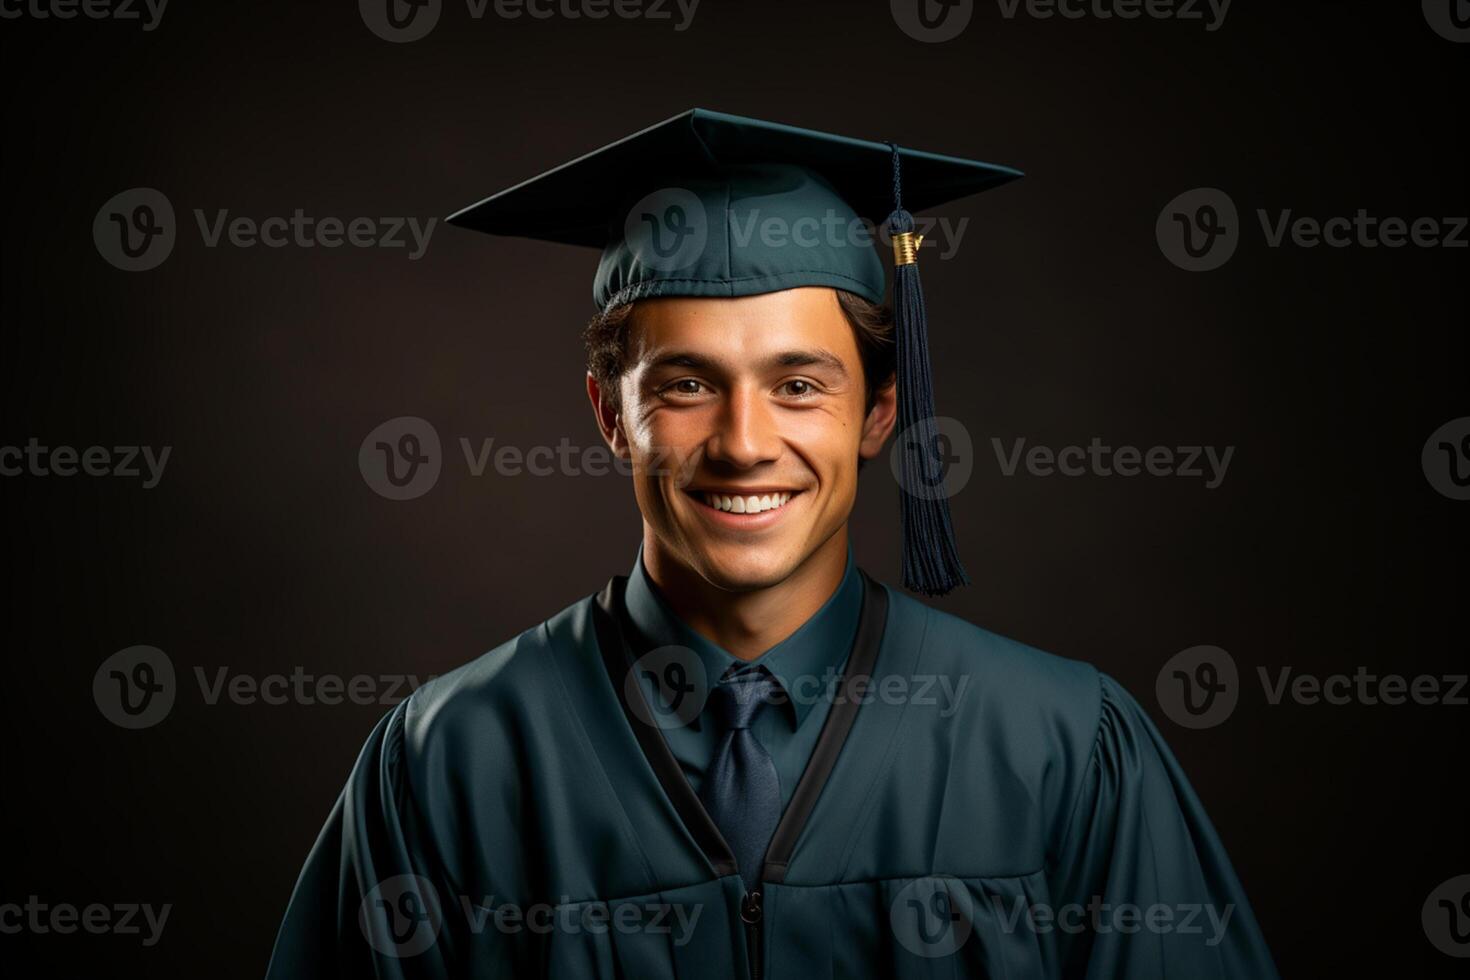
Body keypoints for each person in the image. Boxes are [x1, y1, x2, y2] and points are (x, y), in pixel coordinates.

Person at [266, 109, 1280, 979]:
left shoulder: (1058, 745)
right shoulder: (453, 759)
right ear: (610, 414)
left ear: (881, 411)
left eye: (801, 385)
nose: (746, 444)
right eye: (686, 384)